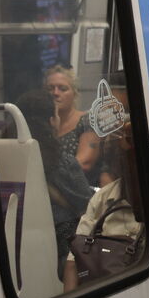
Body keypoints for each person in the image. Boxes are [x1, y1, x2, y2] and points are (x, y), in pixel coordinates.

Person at [14, 89, 95, 270]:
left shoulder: (9, 154)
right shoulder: (60, 162)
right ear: (52, 121)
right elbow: (87, 204)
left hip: (21, 242)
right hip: (61, 246)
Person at [62, 116, 144, 292]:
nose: (124, 164)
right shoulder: (102, 198)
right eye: (117, 157)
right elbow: (73, 261)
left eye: (129, 157)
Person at [44, 65, 102, 184]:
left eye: (63, 88)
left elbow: (84, 163)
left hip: (79, 192)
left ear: (74, 93)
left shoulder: (88, 120)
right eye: (50, 88)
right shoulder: (42, 123)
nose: (55, 93)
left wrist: (45, 172)